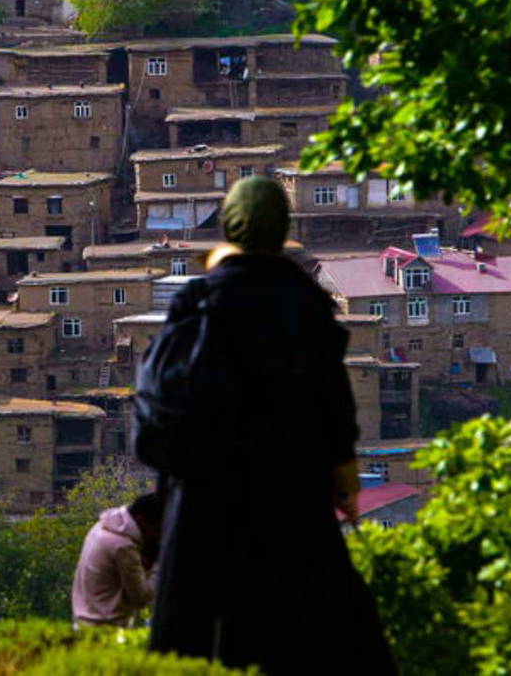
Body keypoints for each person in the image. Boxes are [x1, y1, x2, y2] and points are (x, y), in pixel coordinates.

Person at [139, 176, 396, 674]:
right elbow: (334, 407)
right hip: (291, 496)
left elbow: (156, 410)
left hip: (202, 504)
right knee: (309, 636)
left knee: (194, 641)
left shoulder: (195, 303)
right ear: (282, 230)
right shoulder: (305, 304)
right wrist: (344, 481)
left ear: (229, 229)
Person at [71, 492, 164, 627]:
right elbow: (141, 598)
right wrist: (159, 565)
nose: (158, 537)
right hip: (106, 629)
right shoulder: (123, 546)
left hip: (82, 623)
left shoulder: (101, 527)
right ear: (141, 520)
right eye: (157, 530)